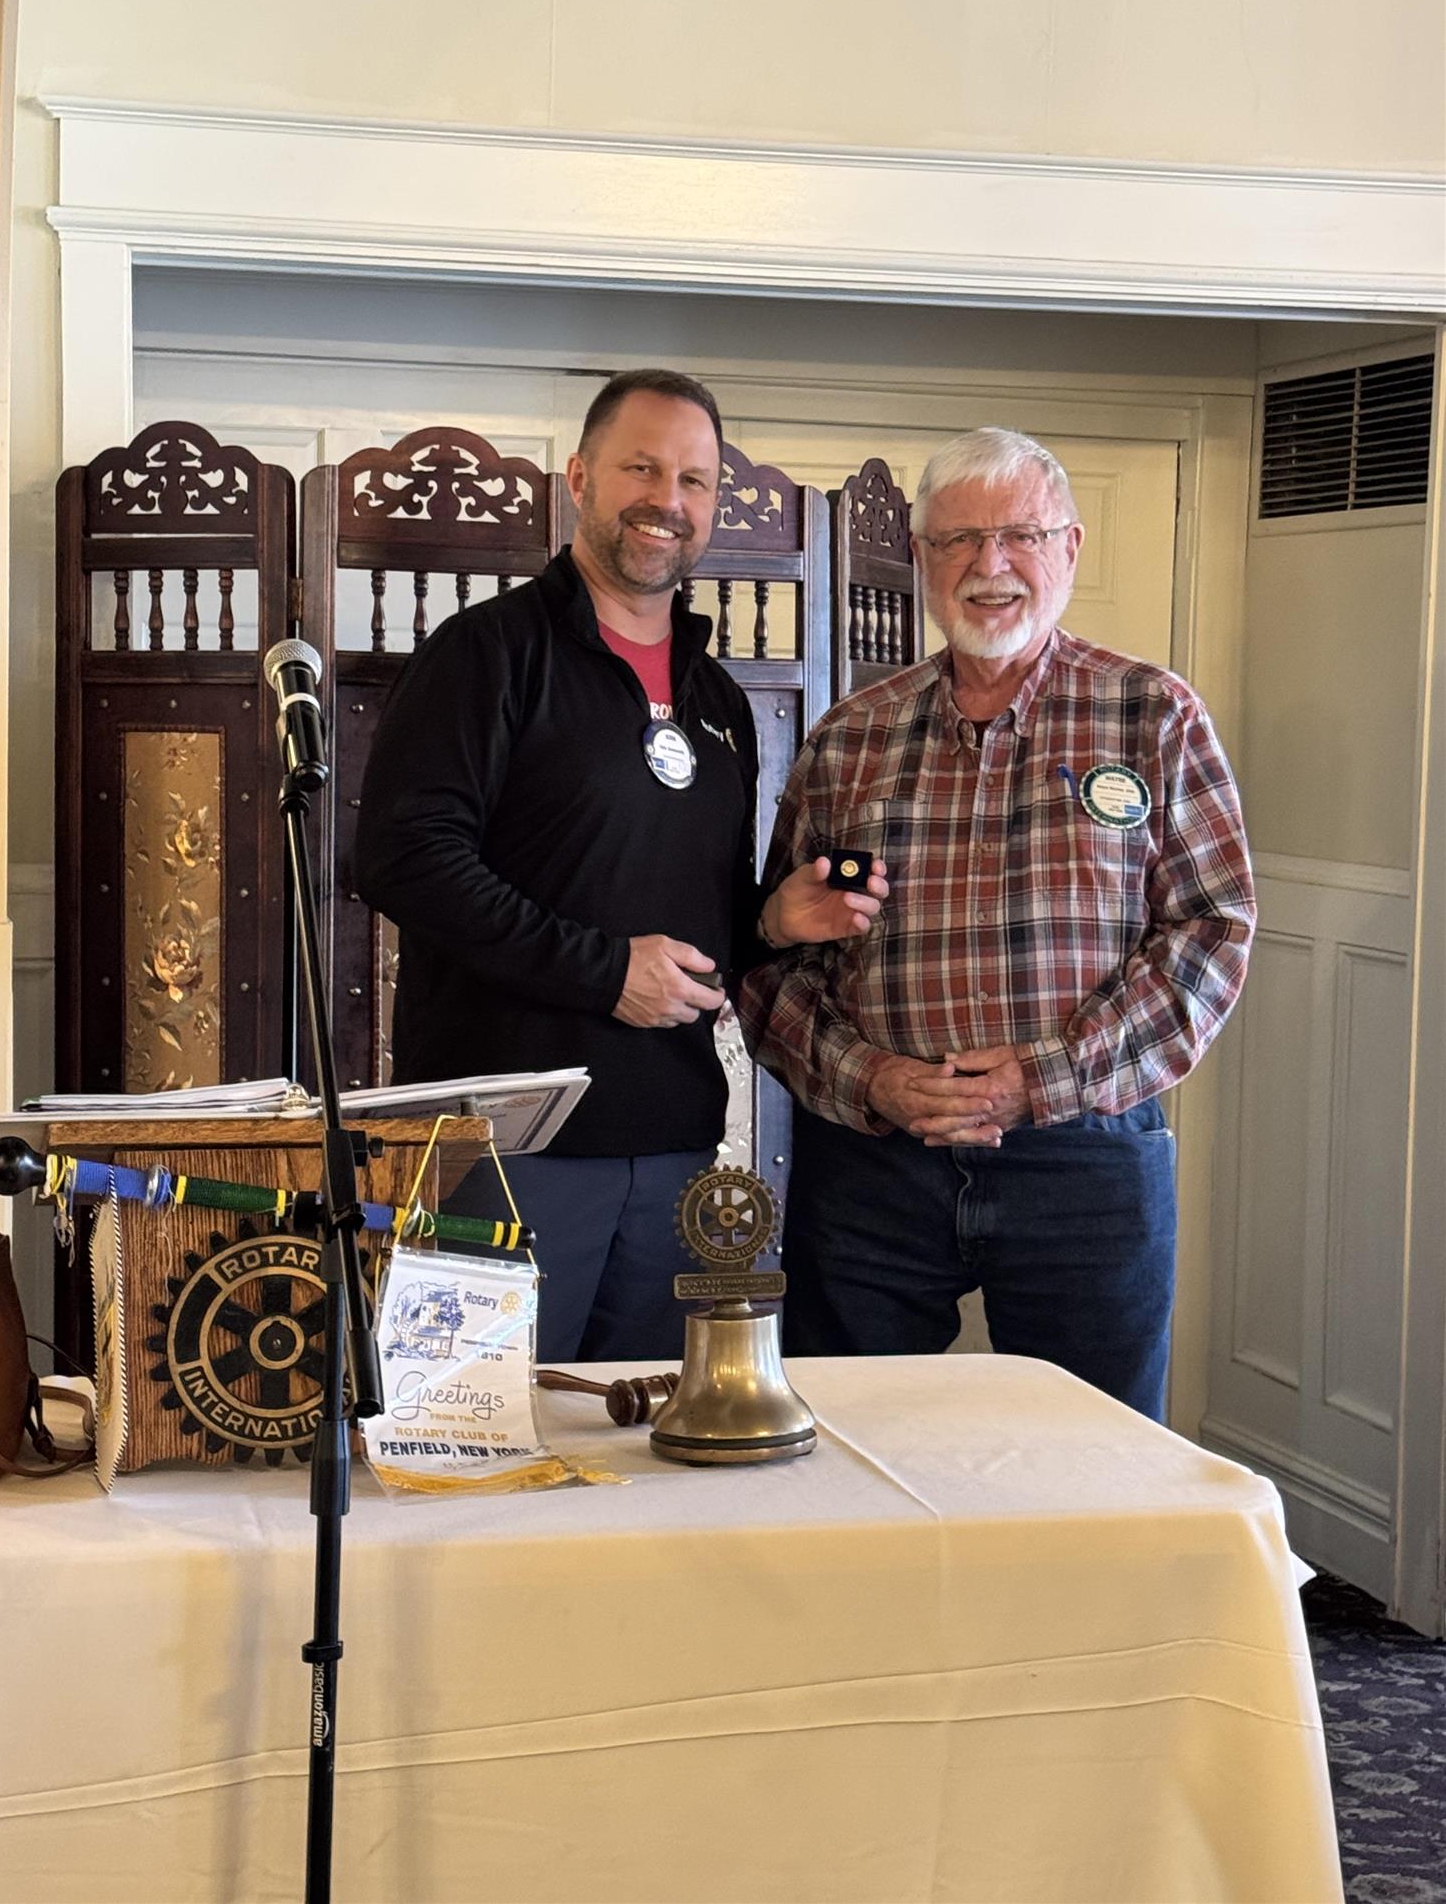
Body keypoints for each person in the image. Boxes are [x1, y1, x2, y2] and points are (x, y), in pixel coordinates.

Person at [355, 369, 884, 1363]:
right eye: (640, 468)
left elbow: (678, 910)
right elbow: (402, 860)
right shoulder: (484, 654)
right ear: (579, 479)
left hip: (675, 1145)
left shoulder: (717, 700)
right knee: (473, 1440)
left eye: (693, 480)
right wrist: (605, 973)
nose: (666, 499)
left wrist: (770, 922)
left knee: (638, 1437)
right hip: (503, 1147)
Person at [737, 427, 1255, 1419]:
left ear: (1070, 546)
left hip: (1085, 1158)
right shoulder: (850, 737)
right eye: (958, 540)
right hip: (874, 1170)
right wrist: (872, 1079)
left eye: (1020, 535)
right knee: (850, 1448)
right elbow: (775, 960)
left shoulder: (1151, 714)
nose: (991, 565)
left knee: (1095, 1458)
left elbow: (1211, 930)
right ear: (919, 557)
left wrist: (1039, 1080)